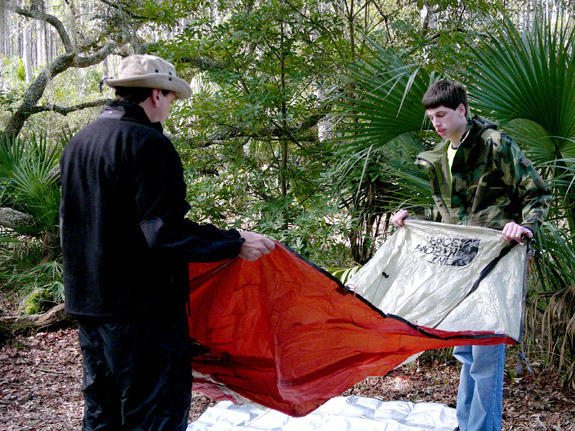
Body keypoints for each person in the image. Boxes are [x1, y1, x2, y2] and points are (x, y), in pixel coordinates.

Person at [60, 54, 275, 431]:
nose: (171, 107)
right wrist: (233, 241)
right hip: (140, 312)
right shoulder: (147, 142)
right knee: (154, 413)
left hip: (89, 303)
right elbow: (164, 233)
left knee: (102, 412)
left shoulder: (81, 140)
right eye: (172, 98)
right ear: (156, 94)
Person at [390, 79, 551, 431]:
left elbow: (537, 195)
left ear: (461, 109)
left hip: (497, 264)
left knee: (486, 357)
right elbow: (445, 214)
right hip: (459, 268)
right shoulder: (441, 155)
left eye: (442, 115)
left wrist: (524, 227)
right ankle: (467, 424)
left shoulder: (495, 145)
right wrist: (410, 220)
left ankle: (483, 428)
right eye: (432, 117)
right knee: (465, 352)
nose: (436, 123)